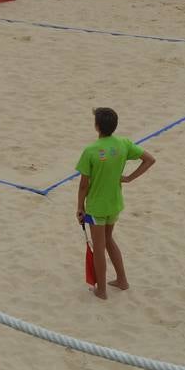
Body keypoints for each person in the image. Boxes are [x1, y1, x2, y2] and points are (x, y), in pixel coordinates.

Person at [75, 107, 156, 301]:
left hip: (96, 207)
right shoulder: (123, 144)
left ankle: (101, 291)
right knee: (109, 240)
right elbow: (149, 159)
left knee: (100, 247)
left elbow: (83, 185)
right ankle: (122, 280)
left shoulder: (91, 151)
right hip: (115, 204)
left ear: (97, 126)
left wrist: (79, 207)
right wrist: (129, 178)